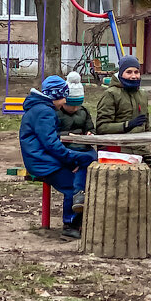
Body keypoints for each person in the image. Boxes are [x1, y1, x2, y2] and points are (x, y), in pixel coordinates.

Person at [95, 55, 151, 234]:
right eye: (129, 72)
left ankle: (148, 215)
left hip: (140, 149)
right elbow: (101, 127)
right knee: (133, 179)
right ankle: (122, 221)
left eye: (136, 72)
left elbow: (147, 128)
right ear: (121, 73)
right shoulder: (110, 94)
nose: (133, 76)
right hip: (117, 152)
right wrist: (126, 125)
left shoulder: (142, 94)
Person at [20, 75, 97, 241]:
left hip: (41, 158)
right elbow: (51, 144)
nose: (64, 101)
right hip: (41, 162)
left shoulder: (39, 108)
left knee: (86, 159)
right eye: (63, 97)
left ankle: (78, 203)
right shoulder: (45, 112)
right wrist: (69, 161)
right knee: (73, 181)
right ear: (55, 96)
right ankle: (70, 224)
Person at [55, 71, 96, 219]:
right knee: (81, 165)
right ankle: (78, 194)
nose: (74, 109)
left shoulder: (83, 111)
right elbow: (53, 133)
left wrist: (90, 133)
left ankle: (79, 196)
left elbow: (90, 127)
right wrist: (65, 136)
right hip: (66, 148)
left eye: (78, 105)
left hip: (83, 146)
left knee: (91, 157)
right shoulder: (57, 113)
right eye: (71, 105)